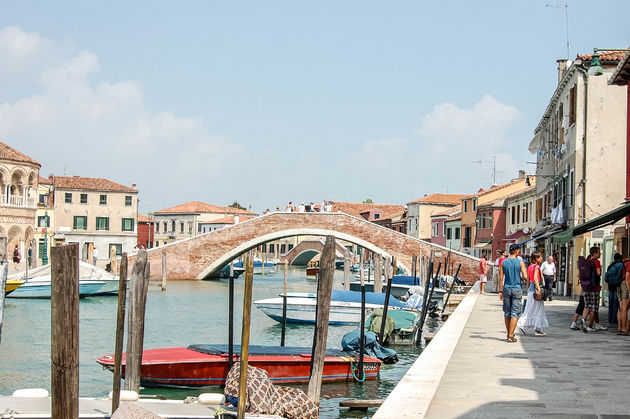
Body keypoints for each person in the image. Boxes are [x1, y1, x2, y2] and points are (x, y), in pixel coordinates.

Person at [499, 244, 528, 343]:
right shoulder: (520, 262)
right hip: (516, 288)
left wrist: (500, 291)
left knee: (507, 313)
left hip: (506, 288)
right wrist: (521, 278)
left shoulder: (503, 262)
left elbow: (501, 278)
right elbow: (525, 276)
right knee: (515, 312)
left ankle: (509, 334)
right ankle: (511, 335)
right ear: (517, 251)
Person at [517, 252, 548, 336]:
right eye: (540, 257)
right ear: (536, 258)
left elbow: (528, 279)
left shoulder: (530, 266)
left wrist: (528, 288)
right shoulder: (537, 267)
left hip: (531, 288)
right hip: (535, 287)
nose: (541, 258)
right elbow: (535, 278)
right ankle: (536, 328)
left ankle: (525, 324)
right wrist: (539, 289)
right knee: (539, 308)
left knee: (530, 307)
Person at [580, 246, 607, 333]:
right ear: (595, 253)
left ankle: (583, 319)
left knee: (587, 305)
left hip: (586, 287)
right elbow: (598, 273)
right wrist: (601, 269)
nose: (600, 254)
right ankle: (590, 326)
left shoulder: (587, 261)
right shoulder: (596, 262)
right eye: (599, 252)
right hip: (594, 287)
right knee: (593, 308)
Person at [605, 253, 623, 327]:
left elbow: (606, 277)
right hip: (617, 286)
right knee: (617, 304)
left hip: (610, 287)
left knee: (611, 303)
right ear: (619, 259)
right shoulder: (621, 266)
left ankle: (610, 318)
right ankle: (615, 319)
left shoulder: (610, 266)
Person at [618, 255, 630, 335]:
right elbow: (628, 277)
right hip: (626, 285)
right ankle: (625, 329)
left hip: (620, 284)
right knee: (626, 308)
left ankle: (621, 328)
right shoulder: (629, 263)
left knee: (621, 308)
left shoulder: (624, 261)